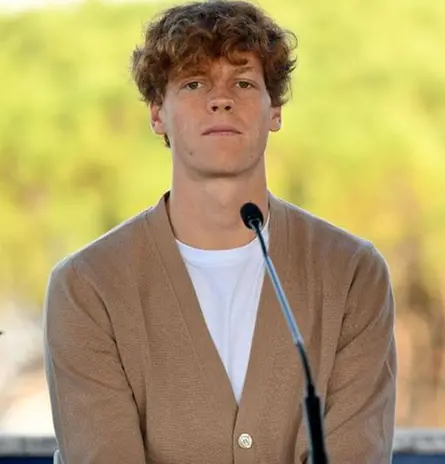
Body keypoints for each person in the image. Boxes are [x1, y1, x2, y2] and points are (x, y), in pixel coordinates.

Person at [42, 1, 397, 463]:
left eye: (244, 83)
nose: (221, 99)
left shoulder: (352, 275)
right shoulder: (87, 288)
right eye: (194, 83)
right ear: (156, 113)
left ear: (275, 110)